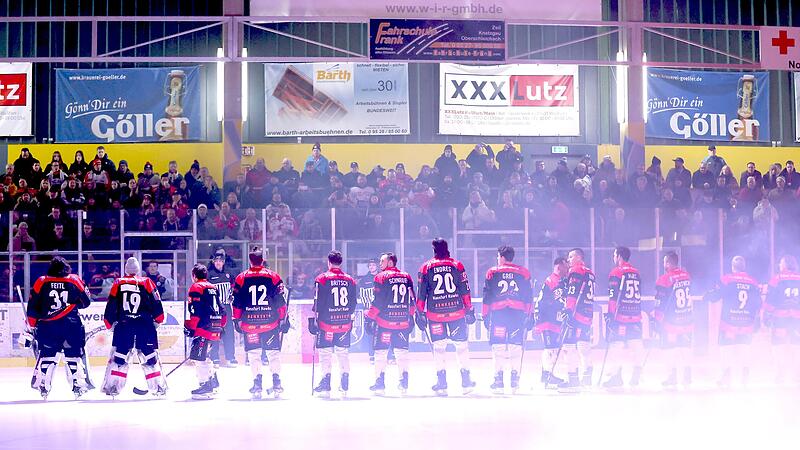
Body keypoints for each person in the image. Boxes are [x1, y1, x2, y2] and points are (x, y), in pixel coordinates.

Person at [416, 238, 477, 396]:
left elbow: (422, 293)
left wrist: (419, 312)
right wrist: (469, 308)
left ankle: (442, 383)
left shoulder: (426, 267)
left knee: (439, 348)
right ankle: (466, 382)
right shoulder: (457, 265)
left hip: (435, 314)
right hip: (456, 312)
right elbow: (465, 289)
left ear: (433, 249)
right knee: (461, 347)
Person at [26, 256, 92, 399]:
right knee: (73, 355)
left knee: (48, 355)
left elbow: (32, 307)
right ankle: (77, 386)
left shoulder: (42, 281)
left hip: (48, 325)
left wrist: (32, 325)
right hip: (71, 325)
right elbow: (87, 301)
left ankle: (43, 384)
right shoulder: (74, 279)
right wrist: (74, 305)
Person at [101, 257, 167, 397]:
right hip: (145, 327)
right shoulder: (147, 282)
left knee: (120, 357)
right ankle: (158, 387)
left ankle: (113, 387)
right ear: (138, 270)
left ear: (126, 269)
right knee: (150, 357)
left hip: (124, 326)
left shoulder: (118, 282)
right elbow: (157, 302)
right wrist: (159, 319)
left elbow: (111, 303)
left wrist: (109, 322)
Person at [232, 248, 289, 399]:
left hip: (250, 324)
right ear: (262, 260)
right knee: (273, 353)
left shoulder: (241, 278)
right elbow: (280, 302)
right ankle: (276, 382)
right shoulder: (274, 277)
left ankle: (257, 382)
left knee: (254, 354)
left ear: (250, 261)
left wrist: (236, 319)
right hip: (270, 323)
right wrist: (283, 318)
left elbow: (236, 303)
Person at [482, 245, 534, 395]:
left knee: (498, 347)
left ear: (502, 257)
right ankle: (514, 379)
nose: (498, 259)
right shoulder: (523, 272)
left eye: (498, 257)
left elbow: (487, 296)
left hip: (499, 314)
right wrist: (529, 315)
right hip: (517, 315)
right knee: (515, 346)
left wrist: (485, 315)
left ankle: (498, 381)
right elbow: (528, 296)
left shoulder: (492, 272)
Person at [704, 255, 761, 388]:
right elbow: (758, 302)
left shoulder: (727, 279)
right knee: (744, 349)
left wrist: (706, 296)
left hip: (729, 322)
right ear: (744, 267)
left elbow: (715, 295)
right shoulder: (753, 282)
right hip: (746, 322)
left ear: (732, 267)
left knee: (726, 349)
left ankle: (726, 377)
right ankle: (745, 377)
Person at [365, 252, 415, 395]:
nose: (380, 264)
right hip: (402, 322)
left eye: (382, 262)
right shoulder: (406, 276)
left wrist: (369, 318)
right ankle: (403, 382)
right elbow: (412, 299)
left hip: (384, 323)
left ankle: (379, 384)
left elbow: (377, 302)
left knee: (380, 353)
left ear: (390, 262)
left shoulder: (380, 277)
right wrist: (411, 316)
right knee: (402, 353)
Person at [308, 251, 357, 398]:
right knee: (343, 353)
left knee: (325, 354)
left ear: (328, 262)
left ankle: (326, 383)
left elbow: (318, 302)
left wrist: (315, 319)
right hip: (344, 323)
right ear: (340, 262)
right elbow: (353, 302)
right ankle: (344, 381)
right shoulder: (350, 280)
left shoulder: (322, 279)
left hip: (326, 324)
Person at [601, 246, 644, 388]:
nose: (613, 258)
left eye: (614, 255)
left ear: (619, 256)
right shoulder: (636, 272)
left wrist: (610, 315)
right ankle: (636, 376)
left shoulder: (617, 272)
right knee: (637, 345)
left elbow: (613, 297)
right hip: (635, 315)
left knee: (616, 346)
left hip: (621, 316)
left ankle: (616, 377)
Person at [184, 264, 227, 400]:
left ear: (194, 276)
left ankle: (205, 386)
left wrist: (190, 328)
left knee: (199, 358)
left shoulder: (196, 287)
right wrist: (221, 325)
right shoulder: (213, 287)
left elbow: (195, 311)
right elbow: (222, 309)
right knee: (206, 356)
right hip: (215, 326)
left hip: (203, 328)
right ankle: (212, 381)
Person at [558, 248, 596, 391]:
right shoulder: (590, 273)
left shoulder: (575, 271)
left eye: (571, 256)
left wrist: (568, 310)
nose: (569, 260)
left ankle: (572, 380)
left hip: (576, 314)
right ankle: (587, 377)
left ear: (579, 257)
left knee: (568, 346)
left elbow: (573, 293)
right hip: (588, 313)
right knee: (584, 345)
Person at [654, 251, 693, 388]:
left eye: (665, 262)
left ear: (669, 263)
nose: (663, 264)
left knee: (669, 348)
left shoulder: (664, 279)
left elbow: (660, 301)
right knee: (685, 348)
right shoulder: (686, 276)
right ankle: (687, 375)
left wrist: (657, 320)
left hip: (671, 322)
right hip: (687, 318)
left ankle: (672, 376)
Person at [764, 255, 800, 383]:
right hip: (797, 319)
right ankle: (797, 375)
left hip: (780, 319)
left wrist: (766, 315)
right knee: (797, 346)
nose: (779, 265)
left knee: (778, 346)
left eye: (780, 263)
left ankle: (780, 374)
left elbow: (770, 299)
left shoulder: (776, 279)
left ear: (784, 265)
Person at [535, 257, 569, 387]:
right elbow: (542, 301)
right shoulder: (551, 281)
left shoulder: (564, 282)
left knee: (554, 348)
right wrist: (538, 317)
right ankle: (546, 376)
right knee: (550, 348)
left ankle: (548, 375)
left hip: (556, 320)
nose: (567, 269)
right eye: (565, 266)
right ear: (559, 266)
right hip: (547, 319)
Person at [208, 250, 238, 368]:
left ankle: (230, 357)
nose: (218, 263)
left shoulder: (228, 274)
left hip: (226, 308)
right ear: (213, 261)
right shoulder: (209, 275)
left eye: (221, 261)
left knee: (228, 333)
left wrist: (232, 296)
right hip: (214, 308)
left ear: (224, 262)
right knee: (215, 333)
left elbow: (234, 287)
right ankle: (214, 357)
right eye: (217, 261)